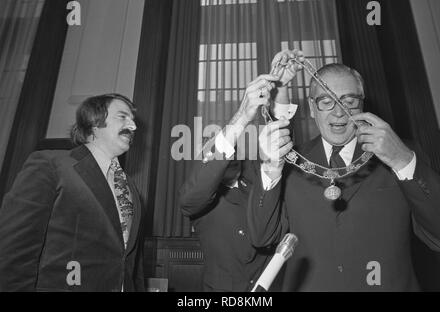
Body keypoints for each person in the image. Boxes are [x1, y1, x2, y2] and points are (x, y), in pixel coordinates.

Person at [248, 49, 440, 291]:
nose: (338, 111)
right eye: (326, 101)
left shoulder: (400, 153)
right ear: (312, 108)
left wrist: (403, 160)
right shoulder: (291, 162)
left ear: (362, 103)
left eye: (349, 101)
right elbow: (262, 237)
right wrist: (271, 167)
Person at [0, 94, 145, 291]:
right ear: (94, 121)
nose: (133, 126)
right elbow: (13, 252)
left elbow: (130, 263)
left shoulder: (131, 188)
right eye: (122, 116)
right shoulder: (50, 165)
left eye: (133, 120)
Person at [179, 65, 300, 291]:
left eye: (230, 145)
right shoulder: (200, 195)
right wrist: (242, 116)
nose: (228, 150)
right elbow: (190, 198)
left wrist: (281, 89)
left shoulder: (255, 175)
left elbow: (280, 143)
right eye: (218, 149)